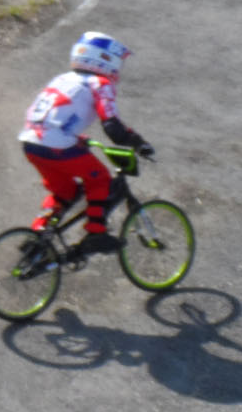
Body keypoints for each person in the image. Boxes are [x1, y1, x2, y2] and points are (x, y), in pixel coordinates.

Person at [18, 31, 155, 257]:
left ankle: (38, 236)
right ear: (104, 59)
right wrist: (139, 143)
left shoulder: (62, 78)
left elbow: (50, 116)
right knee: (99, 178)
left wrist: (74, 137)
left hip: (30, 142)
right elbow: (112, 126)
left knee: (65, 190)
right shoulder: (100, 83)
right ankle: (96, 233)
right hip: (56, 145)